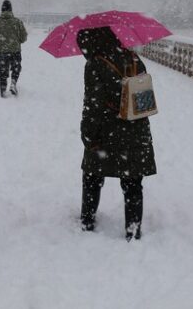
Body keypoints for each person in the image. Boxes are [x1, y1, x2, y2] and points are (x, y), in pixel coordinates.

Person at [76, 26, 157, 241]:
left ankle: (87, 220)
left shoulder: (95, 64)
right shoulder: (133, 58)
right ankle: (133, 229)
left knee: (92, 175)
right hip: (136, 128)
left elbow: (93, 105)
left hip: (107, 130)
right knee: (132, 182)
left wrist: (88, 136)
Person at [0, 0, 28, 97]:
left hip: (2, 51)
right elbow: (23, 37)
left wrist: (0, 41)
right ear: (11, 10)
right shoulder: (17, 22)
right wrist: (16, 41)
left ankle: (2, 90)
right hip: (15, 50)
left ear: (2, 9)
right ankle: (13, 83)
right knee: (16, 68)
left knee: (3, 70)